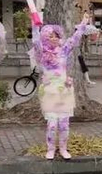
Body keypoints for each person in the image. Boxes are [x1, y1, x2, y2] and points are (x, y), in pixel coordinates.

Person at [31, 19, 88, 160]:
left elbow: (73, 40)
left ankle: (63, 148)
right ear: (45, 38)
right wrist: (34, 25)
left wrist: (82, 24)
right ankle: (50, 149)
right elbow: (35, 40)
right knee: (51, 124)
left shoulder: (63, 51)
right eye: (51, 36)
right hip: (50, 91)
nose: (54, 38)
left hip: (63, 91)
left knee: (64, 124)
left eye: (56, 36)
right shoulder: (41, 52)